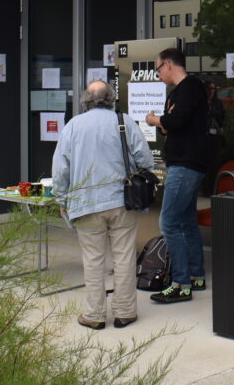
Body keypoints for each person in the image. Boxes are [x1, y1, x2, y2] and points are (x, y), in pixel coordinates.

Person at [53, 80, 153, 330]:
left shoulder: (73, 126)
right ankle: (125, 312)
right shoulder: (124, 122)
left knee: (93, 260)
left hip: (85, 203)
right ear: (111, 99)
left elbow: (61, 168)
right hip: (122, 201)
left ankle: (95, 315)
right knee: (124, 257)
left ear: (86, 100)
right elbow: (145, 160)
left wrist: (61, 198)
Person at [145, 47, 208, 303]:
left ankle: (180, 284)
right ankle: (196, 276)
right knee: (185, 221)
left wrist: (153, 119)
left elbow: (175, 122)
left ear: (168, 65)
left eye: (158, 68)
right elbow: (170, 127)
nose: (158, 74)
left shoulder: (191, 87)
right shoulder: (177, 93)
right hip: (184, 163)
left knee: (168, 222)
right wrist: (165, 121)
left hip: (185, 165)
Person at [201, 80, 226, 196]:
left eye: (213, 89)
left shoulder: (217, 103)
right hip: (204, 136)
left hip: (215, 136)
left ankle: (212, 188)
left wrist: (222, 127)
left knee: (214, 163)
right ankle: (205, 189)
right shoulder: (201, 103)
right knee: (204, 163)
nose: (211, 91)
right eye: (209, 89)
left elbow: (223, 117)